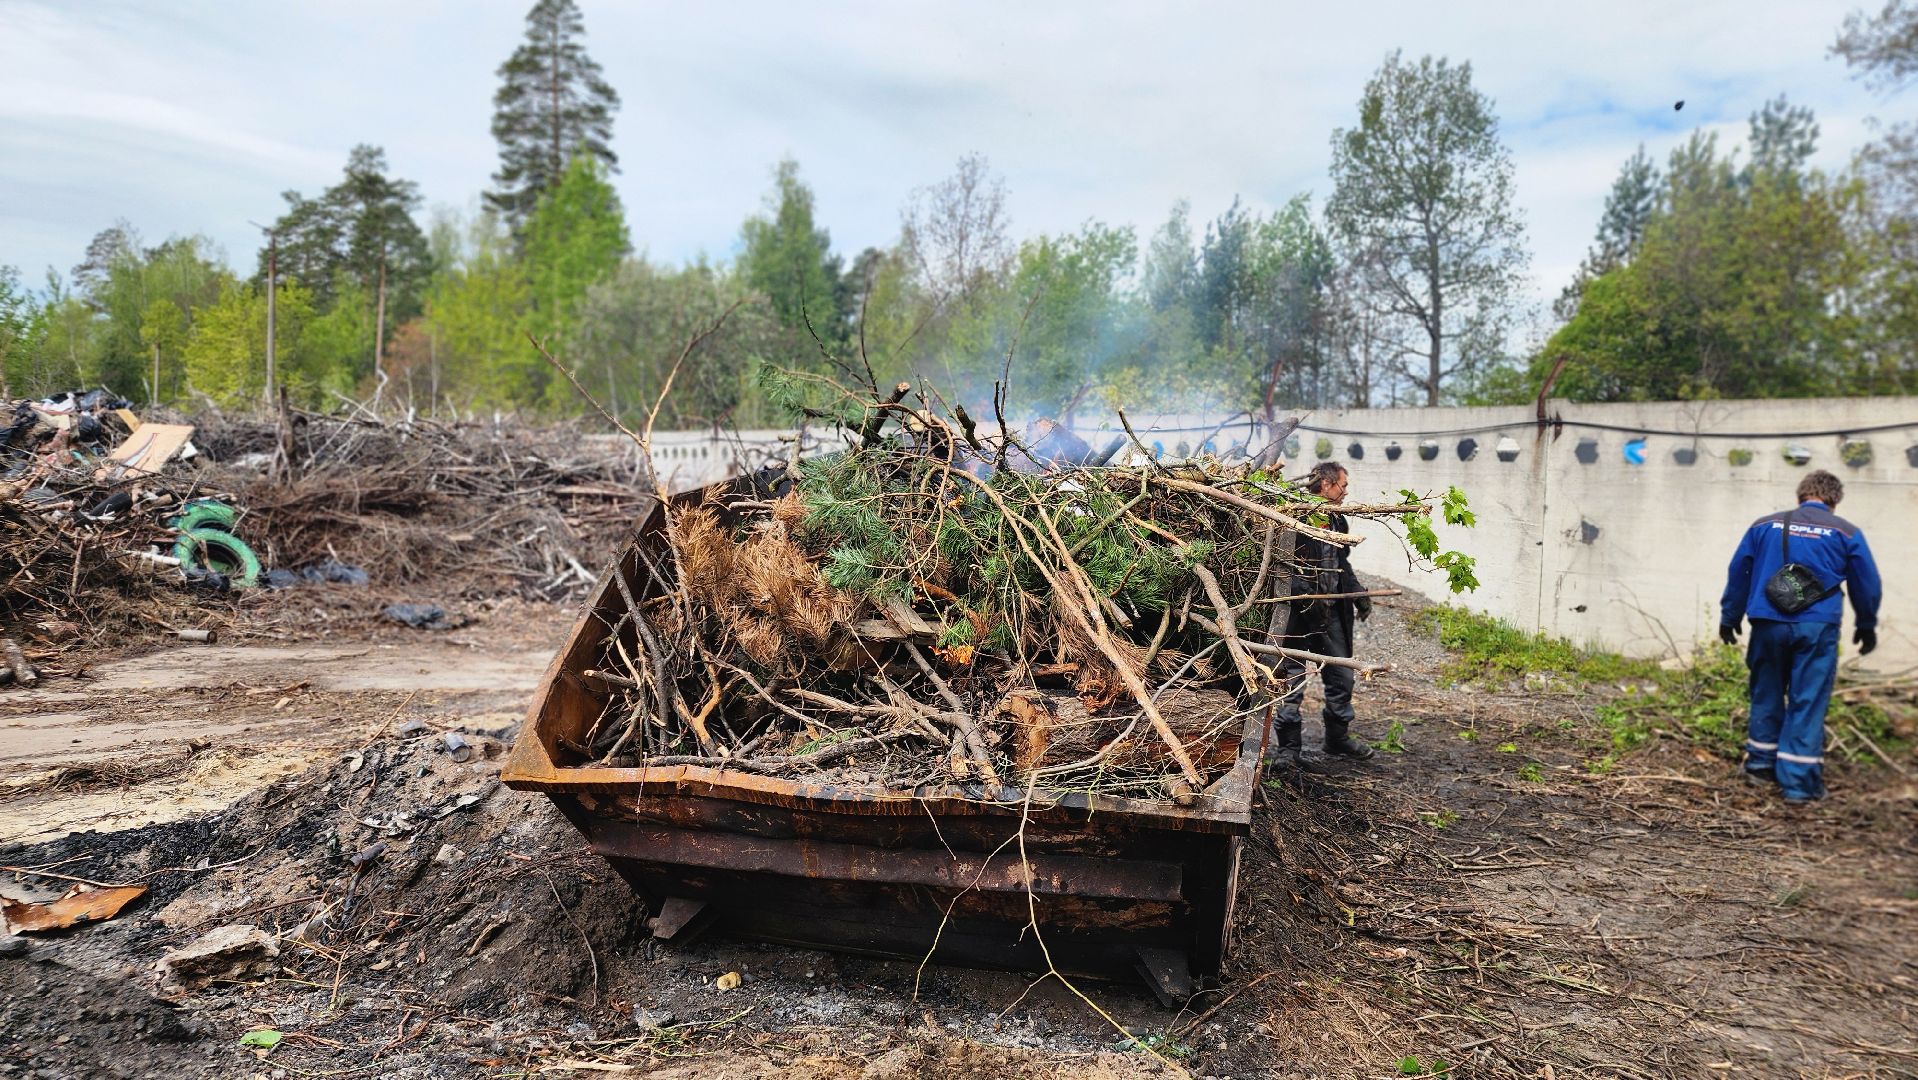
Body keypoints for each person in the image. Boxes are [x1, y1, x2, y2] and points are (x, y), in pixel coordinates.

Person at [1720, 469, 1882, 806]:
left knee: (1765, 690)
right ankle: (1798, 784)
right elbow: (1866, 583)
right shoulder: (1846, 532)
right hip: (1816, 626)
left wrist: (1729, 616)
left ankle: (1760, 765)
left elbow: (1739, 571)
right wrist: (1866, 624)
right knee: (1807, 699)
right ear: (1834, 501)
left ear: (1800, 495)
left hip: (1767, 622)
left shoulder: (1763, 525)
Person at [1266, 461, 1376, 768]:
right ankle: (1289, 750)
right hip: (1296, 614)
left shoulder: (1338, 521)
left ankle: (1337, 739)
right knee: (1291, 680)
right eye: (1342, 485)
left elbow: (1342, 563)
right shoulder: (1293, 515)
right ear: (1325, 485)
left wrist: (1358, 595)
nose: (1346, 491)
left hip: (1331, 612)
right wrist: (1299, 595)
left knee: (1341, 676)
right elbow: (1280, 565)